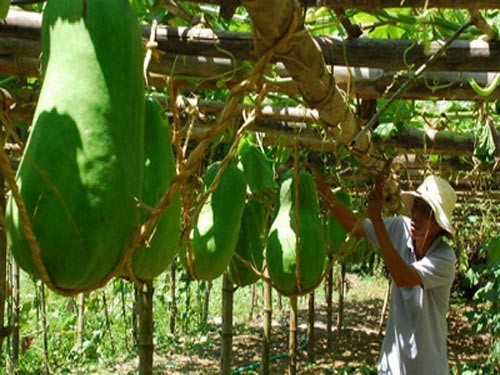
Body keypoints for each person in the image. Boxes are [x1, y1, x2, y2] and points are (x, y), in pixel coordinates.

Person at [318, 174, 457, 375]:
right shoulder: (401, 227)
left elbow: (403, 278)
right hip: (392, 367)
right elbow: (354, 226)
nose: (416, 215)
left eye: (426, 212)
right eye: (417, 206)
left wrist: (377, 220)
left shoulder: (445, 257)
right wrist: (324, 190)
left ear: (439, 225)